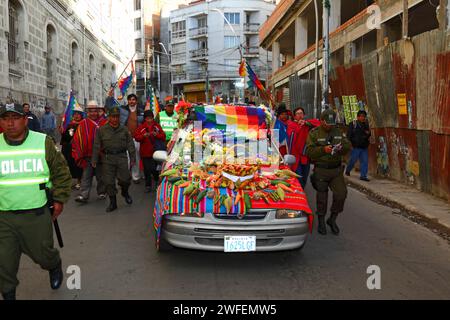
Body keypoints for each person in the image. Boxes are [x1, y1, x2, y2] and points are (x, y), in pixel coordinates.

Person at [0, 102, 72, 300]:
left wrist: (59, 199)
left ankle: (54, 264)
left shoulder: (43, 142)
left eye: (15, 118)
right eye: (5, 118)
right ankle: (8, 293)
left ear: (25, 120)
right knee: (4, 263)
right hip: (4, 217)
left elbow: (61, 172)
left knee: (43, 255)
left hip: (37, 214)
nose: (10, 123)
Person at [306, 109, 351, 236]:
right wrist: (323, 150)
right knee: (322, 197)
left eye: (332, 123)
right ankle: (320, 220)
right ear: (321, 121)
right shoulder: (314, 133)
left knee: (341, 194)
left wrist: (343, 147)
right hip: (321, 169)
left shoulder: (337, 131)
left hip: (336, 170)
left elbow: (348, 146)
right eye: (327, 123)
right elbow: (309, 151)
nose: (329, 125)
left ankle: (332, 219)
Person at [92, 107, 136, 212]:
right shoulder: (102, 130)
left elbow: (130, 144)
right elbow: (96, 145)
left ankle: (125, 192)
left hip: (122, 157)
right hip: (107, 158)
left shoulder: (124, 129)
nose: (115, 119)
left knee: (125, 179)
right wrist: (94, 159)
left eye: (117, 117)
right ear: (109, 117)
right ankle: (113, 202)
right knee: (109, 181)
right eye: (113, 117)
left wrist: (133, 157)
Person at [72, 100, 108, 203]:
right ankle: (84, 195)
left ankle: (101, 192)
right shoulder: (83, 123)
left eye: (95, 111)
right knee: (86, 176)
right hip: (87, 155)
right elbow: (77, 138)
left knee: (100, 175)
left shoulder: (103, 123)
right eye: (90, 111)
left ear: (98, 111)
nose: (93, 113)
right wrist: (79, 152)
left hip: (100, 155)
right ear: (88, 112)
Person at [287, 107, 320, 188]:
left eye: (301, 113)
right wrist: (300, 126)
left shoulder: (307, 124)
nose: (300, 115)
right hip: (296, 158)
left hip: (305, 156)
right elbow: (291, 138)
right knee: (299, 178)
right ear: (294, 116)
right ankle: (299, 196)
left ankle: (302, 193)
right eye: (298, 114)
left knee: (305, 177)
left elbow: (318, 123)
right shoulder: (291, 125)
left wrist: (306, 123)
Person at [134, 110, 166, 193]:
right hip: (145, 152)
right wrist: (143, 136)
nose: (149, 120)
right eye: (147, 118)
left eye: (151, 118)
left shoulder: (157, 126)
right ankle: (148, 185)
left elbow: (163, 136)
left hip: (156, 152)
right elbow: (136, 137)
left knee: (155, 169)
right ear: (145, 119)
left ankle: (156, 182)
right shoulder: (141, 127)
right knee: (147, 170)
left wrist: (157, 135)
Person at [120, 94, 144, 184]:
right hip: (125, 138)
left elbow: (144, 123)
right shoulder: (123, 109)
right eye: (130, 100)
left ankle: (136, 176)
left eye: (133, 99)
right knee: (125, 158)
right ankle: (125, 176)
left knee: (136, 158)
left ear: (136, 101)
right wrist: (109, 98)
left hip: (137, 138)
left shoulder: (141, 110)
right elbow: (110, 107)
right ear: (128, 101)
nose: (132, 101)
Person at [60, 106, 84, 190]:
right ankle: (69, 181)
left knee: (78, 165)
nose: (76, 116)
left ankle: (79, 181)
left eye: (78, 114)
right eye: (75, 114)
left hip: (78, 149)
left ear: (81, 115)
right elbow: (66, 137)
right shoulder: (69, 124)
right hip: (68, 149)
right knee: (69, 165)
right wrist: (62, 131)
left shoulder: (83, 124)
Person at [345, 110, 371, 181]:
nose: (363, 118)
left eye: (364, 117)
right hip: (355, 146)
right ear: (358, 117)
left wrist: (368, 133)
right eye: (361, 116)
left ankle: (363, 176)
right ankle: (348, 170)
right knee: (353, 160)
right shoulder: (353, 124)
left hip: (364, 146)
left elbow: (368, 134)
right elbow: (348, 135)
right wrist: (350, 144)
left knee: (364, 161)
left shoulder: (366, 124)